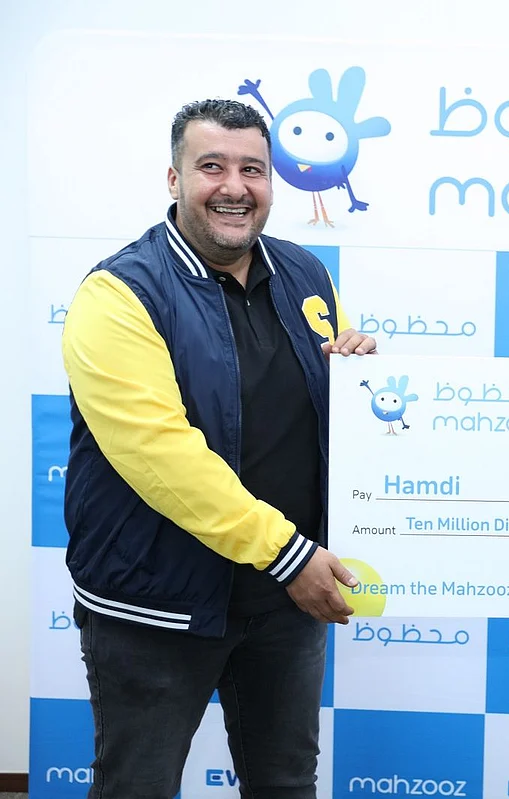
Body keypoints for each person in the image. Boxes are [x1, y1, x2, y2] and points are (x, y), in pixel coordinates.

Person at [60, 98, 375, 799]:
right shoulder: (119, 293)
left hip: (285, 599)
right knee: (137, 787)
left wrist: (362, 377)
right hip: (159, 603)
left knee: (285, 782)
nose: (235, 187)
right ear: (175, 179)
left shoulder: (305, 272)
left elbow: (332, 408)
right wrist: (288, 553)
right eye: (212, 167)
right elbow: (159, 454)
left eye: (252, 170)